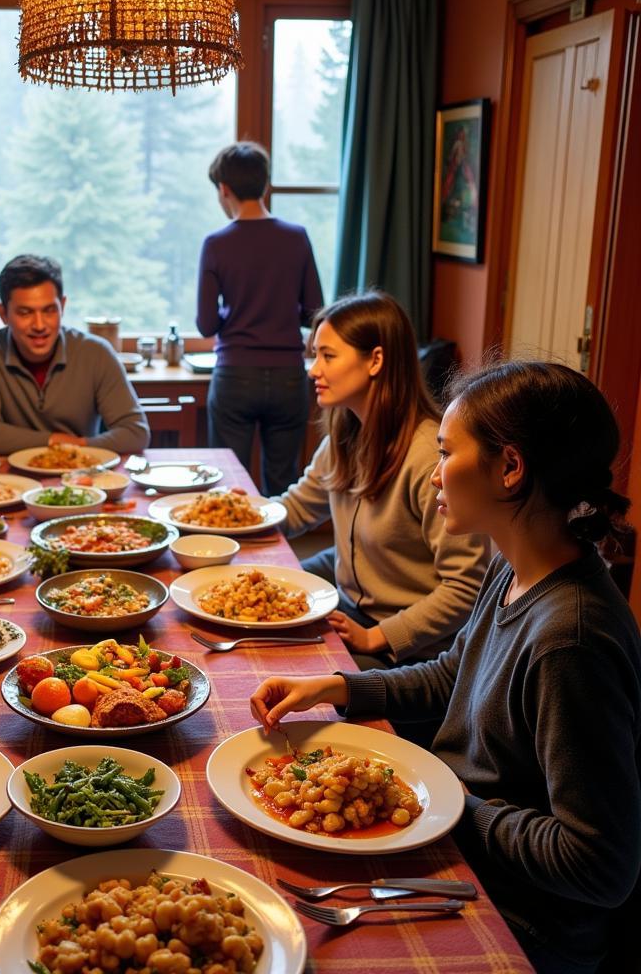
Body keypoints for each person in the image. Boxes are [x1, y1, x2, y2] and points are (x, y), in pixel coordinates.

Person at [251, 360, 641, 974]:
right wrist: (337, 686)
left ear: (510, 469)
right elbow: (452, 674)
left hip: (518, 917)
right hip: (455, 846)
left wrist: (451, 802)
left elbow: (598, 867)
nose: (434, 474)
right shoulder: (514, 566)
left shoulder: (571, 639)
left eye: (446, 453)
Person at [276, 292, 489, 670]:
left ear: (375, 360)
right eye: (314, 356)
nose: (313, 369)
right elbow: (295, 510)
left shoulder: (426, 457)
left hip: (413, 653)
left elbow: (466, 587)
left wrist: (379, 636)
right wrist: (236, 514)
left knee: (289, 673)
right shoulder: (345, 435)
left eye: (327, 355)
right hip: (351, 612)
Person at [196, 141, 323, 494]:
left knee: (227, 482)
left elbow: (206, 324)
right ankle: (278, 549)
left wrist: (232, 311)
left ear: (224, 190)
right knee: (282, 486)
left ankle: (223, 547)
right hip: (287, 377)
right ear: (265, 185)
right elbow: (314, 311)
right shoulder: (296, 238)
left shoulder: (217, 243)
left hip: (235, 375)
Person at [0, 254, 149, 455]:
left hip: (81, 477)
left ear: (63, 306)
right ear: (3, 313)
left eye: (49, 311)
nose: (40, 325)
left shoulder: (96, 352)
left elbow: (135, 433)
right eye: (25, 313)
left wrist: (76, 447)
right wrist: (55, 440)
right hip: (9, 482)